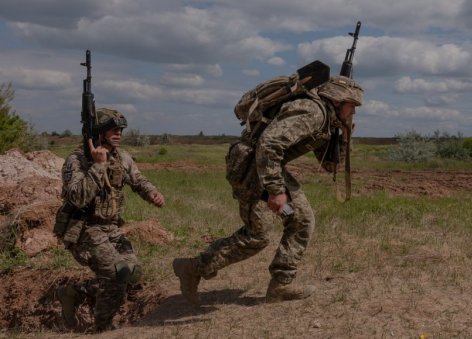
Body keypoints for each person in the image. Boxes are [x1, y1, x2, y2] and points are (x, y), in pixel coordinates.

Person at [173, 75, 363, 303]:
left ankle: (280, 286)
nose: (354, 111)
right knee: (258, 236)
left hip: (268, 166)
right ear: (338, 100)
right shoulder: (313, 112)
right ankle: (192, 268)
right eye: (352, 105)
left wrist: (344, 136)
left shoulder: (326, 120)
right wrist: (276, 190)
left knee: (301, 220)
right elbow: (269, 143)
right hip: (251, 167)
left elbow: (329, 165)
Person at [54, 108, 165, 331]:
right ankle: (102, 329)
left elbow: (138, 180)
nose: (119, 133)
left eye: (121, 129)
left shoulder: (121, 157)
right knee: (116, 274)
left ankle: (74, 292)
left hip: (112, 228)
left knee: (132, 273)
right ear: (100, 131)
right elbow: (77, 197)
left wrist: (152, 193)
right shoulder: (77, 159)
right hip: (85, 229)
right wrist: (97, 165)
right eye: (114, 129)